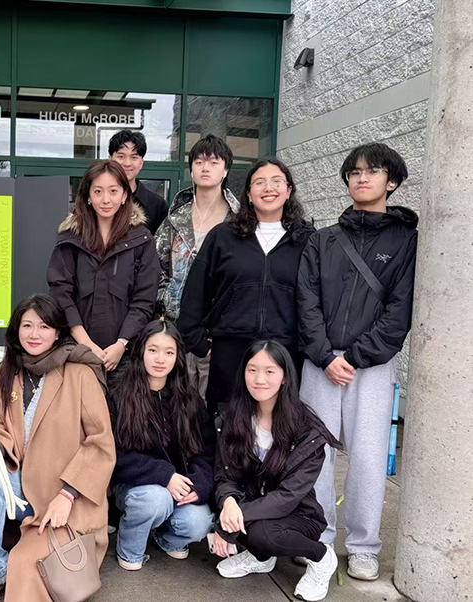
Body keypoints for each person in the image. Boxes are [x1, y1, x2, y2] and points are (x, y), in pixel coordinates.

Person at [297, 143, 415, 582]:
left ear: (392, 181)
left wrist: (357, 356)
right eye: (354, 173)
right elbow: (305, 302)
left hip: (372, 367)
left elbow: (399, 310)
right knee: (314, 455)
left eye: (373, 171)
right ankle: (319, 538)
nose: (362, 178)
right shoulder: (322, 239)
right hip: (320, 362)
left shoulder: (407, 241)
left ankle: (364, 546)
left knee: (366, 457)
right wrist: (326, 355)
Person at [0, 294, 115, 602]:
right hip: (21, 485)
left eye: (43, 326)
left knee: (32, 568)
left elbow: (100, 442)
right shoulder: (3, 374)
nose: (34, 334)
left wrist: (68, 494)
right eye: (27, 325)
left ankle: (9, 566)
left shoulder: (79, 374)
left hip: (65, 493)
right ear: (15, 331)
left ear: (57, 332)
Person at [177, 158, 314, 417]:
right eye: (259, 182)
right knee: (226, 428)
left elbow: (317, 299)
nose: (268, 188)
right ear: (249, 194)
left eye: (276, 182)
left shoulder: (308, 240)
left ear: (288, 191)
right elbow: (195, 293)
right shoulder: (223, 236)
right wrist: (199, 344)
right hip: (230, 353)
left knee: (280, 427)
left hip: (285, 352)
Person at [212, 340, 342, 601]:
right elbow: (225, 475)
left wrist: (228, 523)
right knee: (221, 511)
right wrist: (228, 501)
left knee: (262, 534)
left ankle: (322, 557)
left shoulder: (307, 431)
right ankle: (262, 559)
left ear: (284, 377)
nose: (259, 379)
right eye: (252, 370)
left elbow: (287, 498)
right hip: (253, 505)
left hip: (299, 516)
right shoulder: (233, 417)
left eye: (270, 371)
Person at [108, 320, 215, 570]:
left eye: (169, 352)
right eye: (153, 350)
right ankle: (130, 550)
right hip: (136, 487)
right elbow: (113, 455)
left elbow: (206, 452)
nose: (160, 359)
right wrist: (164, 475)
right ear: (141, 352)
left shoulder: (189, 399)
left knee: (198, 522)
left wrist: (198, 485)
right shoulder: (118, 395)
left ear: (177, 357)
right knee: (155, 500)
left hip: (178, 486)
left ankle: (166, 538)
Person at [47, 159, 161, 372]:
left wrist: (121, 344)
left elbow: (144, 300)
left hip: (125, 355)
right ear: (88, 196)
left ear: (124, 195)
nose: (106, 199)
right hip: (76, 351)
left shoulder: (141, 240)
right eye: (98, 191)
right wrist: (85, 343)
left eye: (113, 191)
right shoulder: (70, 239)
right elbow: (60, 294)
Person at [156, 135, 240, 399]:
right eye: (199, 161)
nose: (206, 168)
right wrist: (164, 306)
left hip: (217, 330)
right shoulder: (175, 218)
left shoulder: (239, 220)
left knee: (211, 405)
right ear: (191, 168)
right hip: (175, 326)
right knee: (174, 402)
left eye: (214, 162)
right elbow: (155, 268)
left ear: (225, 169)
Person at [108, 130, 167, 234]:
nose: (127, 163)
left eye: (134, 157)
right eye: (121, 156)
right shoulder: (97, 200)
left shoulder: (158, 206)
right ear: (110, 160)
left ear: (141, 163)